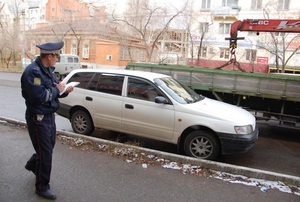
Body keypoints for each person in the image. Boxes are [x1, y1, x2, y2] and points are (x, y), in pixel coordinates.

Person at [21, 41, 73, 200]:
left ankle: (32, 165)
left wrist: (64, 91)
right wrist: (56, 90)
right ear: (49, 56)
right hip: (38, 118)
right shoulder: (33, 73)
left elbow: (53, 90)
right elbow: (39, 96)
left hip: (48, 116)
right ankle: (42, 186)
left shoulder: (47, 70)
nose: (58, 59)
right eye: (57, 56)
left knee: (48, 147)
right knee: (45, 153)